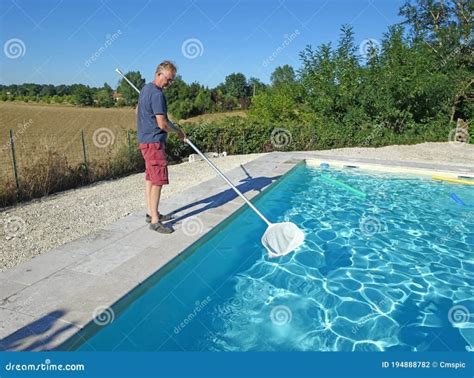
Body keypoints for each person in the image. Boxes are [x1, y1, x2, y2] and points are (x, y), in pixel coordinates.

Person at [136, 60, 186, 234]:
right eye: (168, 79)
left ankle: (152, 213)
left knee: (150, 178)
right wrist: (178, 131)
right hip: (154, 142)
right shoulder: (157, 94)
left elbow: (137, 111)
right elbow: (163, 124)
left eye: (172, 80)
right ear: (158, 74)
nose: (170, 84)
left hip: (144, 140)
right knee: (157, 180)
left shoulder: (145, 89)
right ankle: (155, 222)